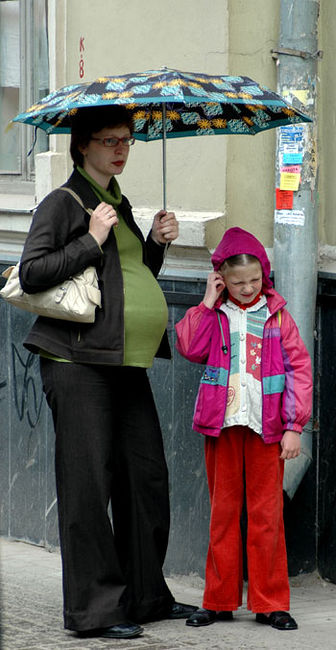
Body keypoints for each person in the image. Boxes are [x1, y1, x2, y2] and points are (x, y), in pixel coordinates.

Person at [19, 105, 196, 640]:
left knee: (145, 478)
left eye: (127, 140)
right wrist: (90, 239)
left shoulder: (118, 202)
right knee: (88, 486)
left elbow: (130, 274)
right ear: (83, 145)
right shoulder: (64, 202)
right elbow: (32, 272)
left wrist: (156, 243)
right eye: (109, 140)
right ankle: (95, 610)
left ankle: (145, 595)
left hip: (124, 360)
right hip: (76, 363)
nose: (121, 149)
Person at [175, 227, 312, 631]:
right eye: (238, 283)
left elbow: (299, 371)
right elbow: (189, 347)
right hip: (222, 428)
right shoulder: (214, 315)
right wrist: (206, 302)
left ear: (264, 276)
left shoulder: (278, 317)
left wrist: (294, 426)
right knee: (223, 515)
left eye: (254, 280)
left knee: (267, 516)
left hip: (267, 429)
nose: (248, 288)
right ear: (221, 279)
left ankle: (271, 603)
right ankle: (218, 601)